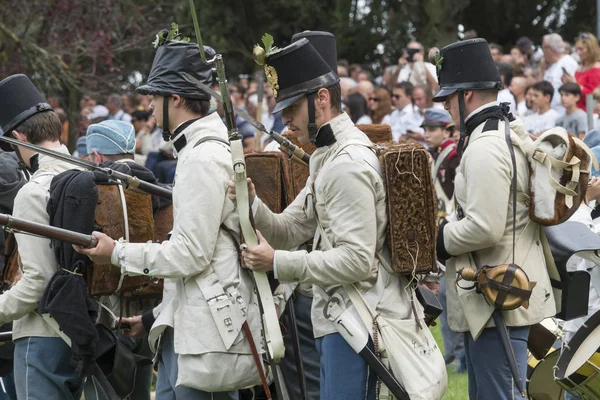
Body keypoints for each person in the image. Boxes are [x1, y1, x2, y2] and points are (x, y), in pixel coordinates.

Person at [75, 39, 264, 399]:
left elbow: (190, 256)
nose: (148, 104)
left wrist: (117, 252)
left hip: (207, 336)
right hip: (190, 327)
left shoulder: (202, 157)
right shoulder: (198, 151)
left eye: (154, 95)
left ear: (174, 98)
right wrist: (152, 318)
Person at [229, 35, 415, 400]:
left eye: (292, 108)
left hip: (361, 325)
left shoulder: (346, 163)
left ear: (322, 99)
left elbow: (358, 260)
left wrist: (277, 262)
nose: (285, 121)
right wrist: (251, 204)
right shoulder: (327, 157)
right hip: (341, 321)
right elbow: (290, 229)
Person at [433, 38, 556, 399]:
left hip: (498, 299)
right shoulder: (497, 134)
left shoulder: (485, 146)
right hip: (500, 294)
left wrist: (437, 238)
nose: (444, 106)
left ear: (467, 94)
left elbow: (484, 228)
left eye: (447, 97)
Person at [0, 74, 86, 398]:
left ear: (19, 136)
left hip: (41, 335)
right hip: (82, 330)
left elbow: (38, 282)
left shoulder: (32, 192)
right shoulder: (85, 174)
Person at [84, 120, 157, 400]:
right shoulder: (157, 185)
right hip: (151, 304)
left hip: (109, 311)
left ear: (98, 156)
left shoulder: (100, 191)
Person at [561, 32, 600, 111]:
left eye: (581, 49)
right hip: (576, 110)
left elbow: (594, 96)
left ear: (591, 50)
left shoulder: (596, 69)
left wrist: (575, 84)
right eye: (576, 49)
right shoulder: (580, 67)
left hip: (589, 113)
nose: (578, 52)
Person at [542, 33, 579, 115]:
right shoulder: (552, 65)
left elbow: (573, 88)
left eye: (543, 48)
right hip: (551, 114)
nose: (542, 51)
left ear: (550, 49)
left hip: (562, 113)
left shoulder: (567, 63)